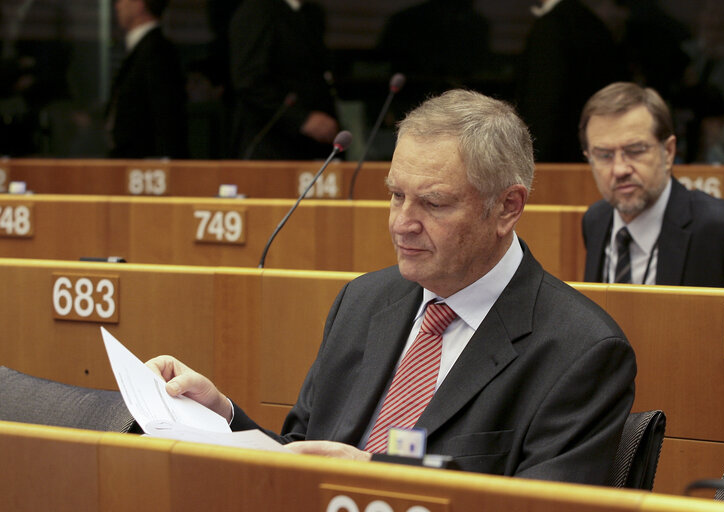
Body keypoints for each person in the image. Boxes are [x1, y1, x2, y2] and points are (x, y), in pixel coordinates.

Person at [147, 90, 636, 483]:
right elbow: (301, 452)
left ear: (507, 207)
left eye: (433, 204)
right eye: (396, 195)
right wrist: (223, 416)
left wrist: (375, 479)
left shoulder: (582, 351)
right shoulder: (362, 301)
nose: (402, 224)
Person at [581, 82, 724, 287]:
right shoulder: (595, 220)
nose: (619, 169)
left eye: (635, 150)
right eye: (604, 155)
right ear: (589, 157)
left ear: (668, 151)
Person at [228, 0, 339, 160]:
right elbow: (248, 81)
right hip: (270, 145)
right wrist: (301, 119)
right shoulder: (257, 11)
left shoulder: (311, 13)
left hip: (312, 147)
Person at [516, 0, 624, 162]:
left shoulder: (551, 28)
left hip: (557, 164)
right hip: (592, 154)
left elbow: (543, 105)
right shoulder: (589, 22)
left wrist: (531, 163)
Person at [107, 0, 188, 159]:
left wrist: (163, 165)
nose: (117, 5)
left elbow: (166, 117)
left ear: (140, 4)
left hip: (145, 167)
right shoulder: (144, 50)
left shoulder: (156, 51)